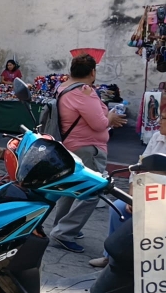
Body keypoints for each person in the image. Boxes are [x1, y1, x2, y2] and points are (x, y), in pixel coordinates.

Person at [49, 54, 127, 253]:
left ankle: (62, 226)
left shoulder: (64, 87)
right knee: (93, 191)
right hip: (87, 148)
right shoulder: (83, 92)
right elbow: (100, 123)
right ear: (92, 72)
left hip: (72, 146)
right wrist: (110, 117)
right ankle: (64, 232)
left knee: (71, 188)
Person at [89, 111, 166, 267]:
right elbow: (138, 168)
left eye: (163, 118)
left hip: (161, 198)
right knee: (118, 208)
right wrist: (134, 194)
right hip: (149, 192)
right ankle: (111, 258)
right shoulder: (157, 138)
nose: (159, 121)